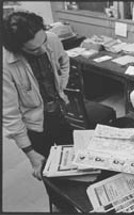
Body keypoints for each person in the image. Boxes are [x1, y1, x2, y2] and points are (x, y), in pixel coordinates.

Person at [3, 11, 74, 211]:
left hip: (59, 112)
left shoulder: (50, 39)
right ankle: (61, 206)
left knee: (74, 158)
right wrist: (30, 153)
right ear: (18, 48)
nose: (43, 49)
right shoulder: (5, 65)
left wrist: (61, 86)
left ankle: (78, 198)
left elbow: (64, 61)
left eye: (44, 41)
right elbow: (10, 116)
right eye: (34, 49)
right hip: (35, 126)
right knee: (48, 171)